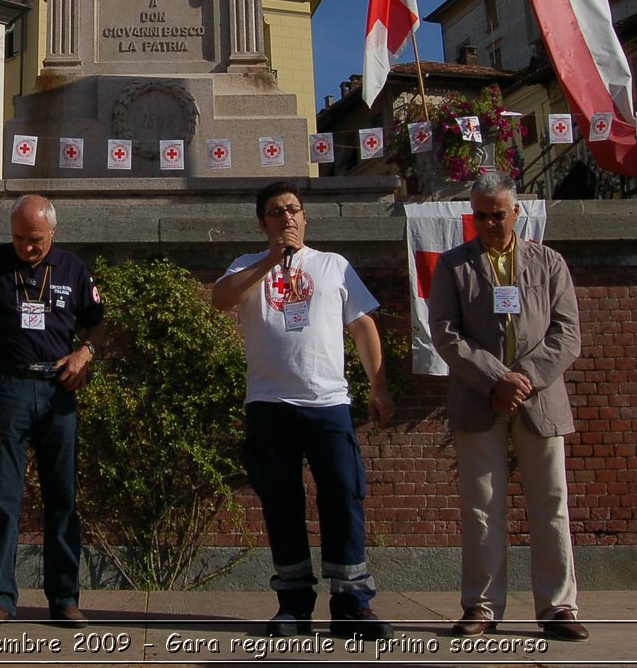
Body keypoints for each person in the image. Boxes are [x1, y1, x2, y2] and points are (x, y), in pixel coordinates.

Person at [210, 180, 394, 639]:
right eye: (276, 212)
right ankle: (293, 604)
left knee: (343, 496)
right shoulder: (248, 266)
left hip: (328, 403)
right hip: (270, 406)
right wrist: (272, 260)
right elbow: (221, 299)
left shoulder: (333, 266)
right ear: (262, 223)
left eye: (294, 209)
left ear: (305, 217)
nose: (287, 217)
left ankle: (352, 603)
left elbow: (363, 325)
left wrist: (379, 385)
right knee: (282, 503)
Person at [427, 173, 589, 642]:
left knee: (551, 504)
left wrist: (524, 379)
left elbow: (567, 334)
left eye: (498, 213)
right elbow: (445, 333)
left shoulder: (549, 262)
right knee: (481, 506)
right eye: (481, 215)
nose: (490, 222)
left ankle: (558, 606)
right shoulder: (453, 266)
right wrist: (496, 379)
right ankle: (481, 606)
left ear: (516, 212)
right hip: (480, 398)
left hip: (540, 399)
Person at [0, 194, 107, 627]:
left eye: (35, 240)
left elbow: (99, 321)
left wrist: (84, 354)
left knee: (62, 497)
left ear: (53, 232)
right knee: (4, 497)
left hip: (56, 388)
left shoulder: (72, 268)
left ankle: (65, 598)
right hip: (6, 385)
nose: (26, 247)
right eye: (18, 238)